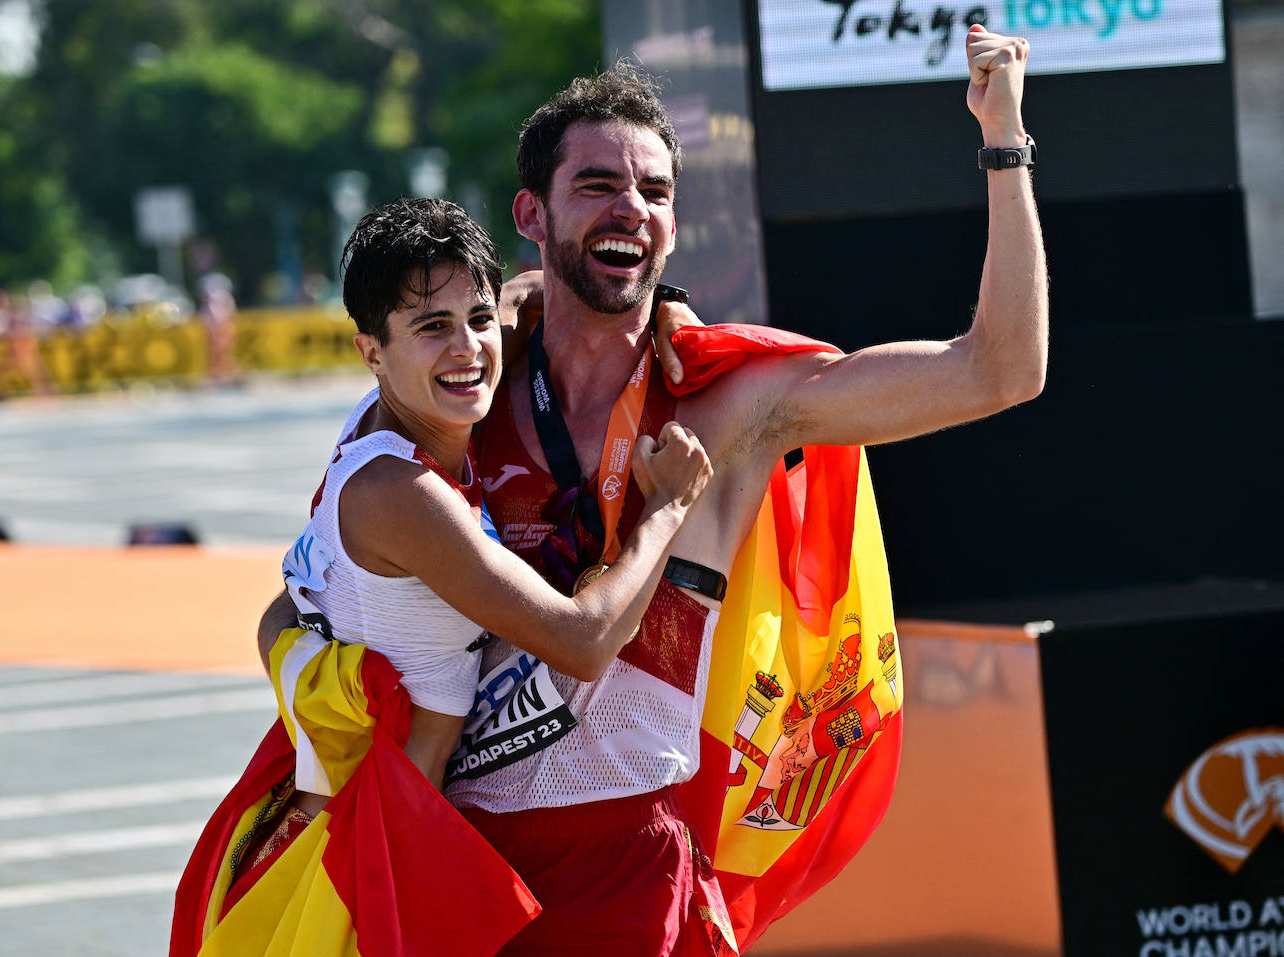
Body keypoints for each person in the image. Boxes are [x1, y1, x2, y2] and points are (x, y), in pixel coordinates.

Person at [261, 23, 1046, 956]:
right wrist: (334, 700)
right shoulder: (465, 384)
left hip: (633, 878)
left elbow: (1001, 369)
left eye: (655, 191)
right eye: (596, 185)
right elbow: (300, 599)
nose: (630, 206)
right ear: (532, 215)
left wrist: (1005, 141)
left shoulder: (733, 404)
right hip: (457, 863)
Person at [172, 198, 714, 957]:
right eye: (432, 328)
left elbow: (527, 293)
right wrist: (671, 508)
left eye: (477, 319)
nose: (468, 348)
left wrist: (659, 304)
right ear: (371, 352)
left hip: (369, 826)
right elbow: (583, 640)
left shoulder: (392, 421)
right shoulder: (404, 493)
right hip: (355, 869)